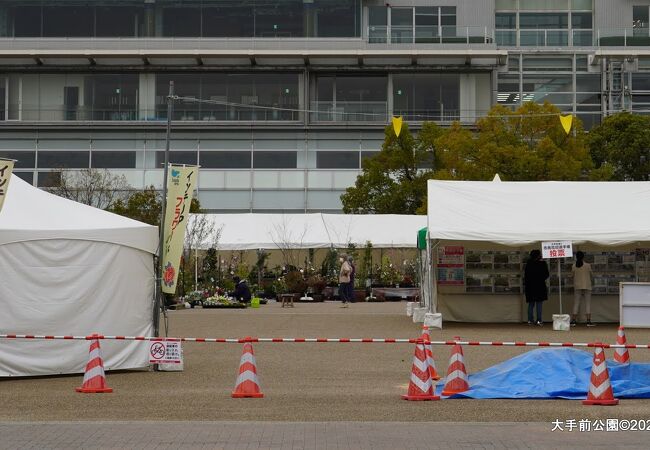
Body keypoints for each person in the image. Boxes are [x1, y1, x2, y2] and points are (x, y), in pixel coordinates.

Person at [524, 249, 549, 326]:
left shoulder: (528, 264)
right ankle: (539, 320)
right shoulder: (542, 263)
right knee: (539, 303)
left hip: (530, 286)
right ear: (538, 255)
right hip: (540, 286)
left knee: (531, 304)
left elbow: (526, 276)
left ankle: (530, 320)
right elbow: (546, 274)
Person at [571, 251, 594, 327]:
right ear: (583, 257)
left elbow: (572, 276)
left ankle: (573, 321)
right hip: (587, 285)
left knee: (576, 303)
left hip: (577, 286)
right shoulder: (588, 265)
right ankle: (588, 321)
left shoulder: (574, 266)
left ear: (576, 257)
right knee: (588, 303)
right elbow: (592, 275)